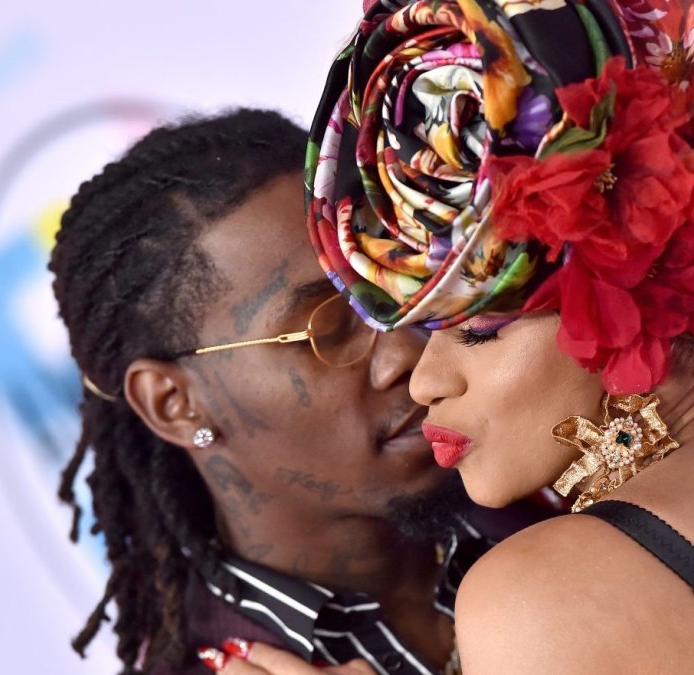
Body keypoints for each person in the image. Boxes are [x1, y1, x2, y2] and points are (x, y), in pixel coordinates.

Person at [215, 1, 694, 673]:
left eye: (481, 331)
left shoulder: (539, 592)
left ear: (640, 285)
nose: (425, 381)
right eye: (428, 333)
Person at [50, 108, 523, 675]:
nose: (408, 352)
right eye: (326, 330)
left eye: (397, 281)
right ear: (175, 405)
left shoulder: (551, 470)